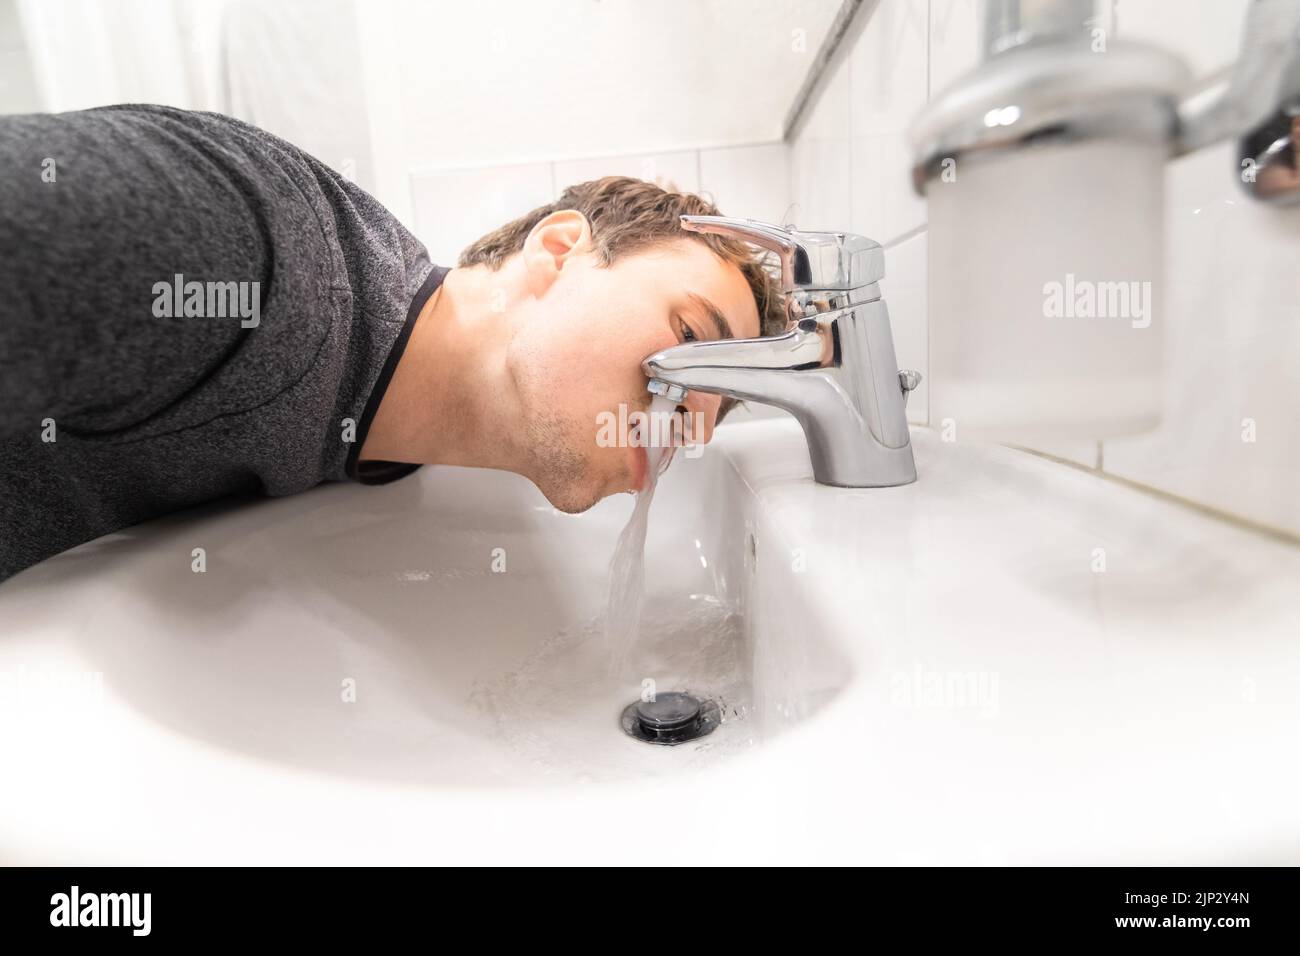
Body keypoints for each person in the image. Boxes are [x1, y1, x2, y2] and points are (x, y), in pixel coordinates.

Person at [0, 105, 787, 583]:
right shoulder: (260, 256)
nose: (691, 425)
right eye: (690, 340)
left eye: (712, 412)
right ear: (556, 252)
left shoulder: (381, 413)